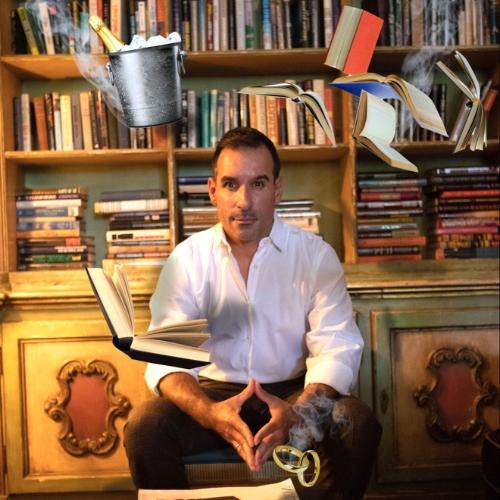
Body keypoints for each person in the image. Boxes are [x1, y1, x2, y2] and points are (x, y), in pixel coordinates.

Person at [124, 127, 381, 499]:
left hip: (294, 393)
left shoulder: (314, 255)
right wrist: (210, 413)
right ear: (213, 190)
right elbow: (166, 361)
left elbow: (337, 347)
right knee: (145, 425)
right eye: (231, 184)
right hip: (212, 395)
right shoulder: (187, 259)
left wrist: (300, 412)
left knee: (355, 422)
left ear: (277, 189)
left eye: (257, 184)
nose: (243, 200)